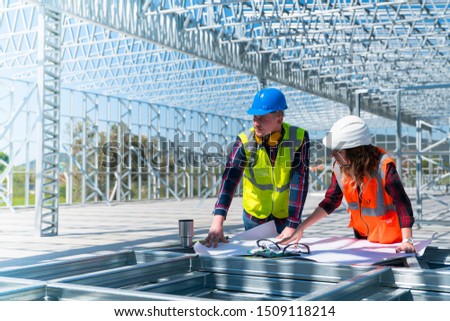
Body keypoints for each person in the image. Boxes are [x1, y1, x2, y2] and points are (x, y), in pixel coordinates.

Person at [280, 115, 416, 253]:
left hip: (392, 245)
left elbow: (402, 203)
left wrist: (407, 241)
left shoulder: (383, 166)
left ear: (355, 152)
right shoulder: (340, 167)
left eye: (338, 151)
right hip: (363, 241)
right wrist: (301, 227)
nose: (333, 155)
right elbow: (330, 201)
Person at [204, 87, 310, 248]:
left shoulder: (298, 138)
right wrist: (217, 220)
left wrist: (293, 223)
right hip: (254, 218)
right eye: (254, 117)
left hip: (285, 218)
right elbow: (230, 179)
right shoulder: (245, 141)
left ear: (279, 119)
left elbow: (299, 181)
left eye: (262, 118)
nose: (255, 123)